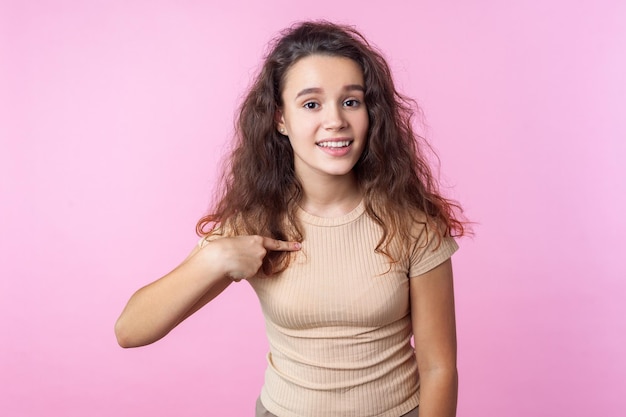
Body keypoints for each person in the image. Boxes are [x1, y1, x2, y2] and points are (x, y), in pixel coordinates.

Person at [115, 20, 466, 417]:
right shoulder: (255, 223)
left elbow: (439, 368)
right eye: (312, 104)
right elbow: (130, 331)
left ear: (371, 112)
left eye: (351, 101)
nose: (335, 121)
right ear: (280, 119)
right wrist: (213, 259)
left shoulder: (413, 225)